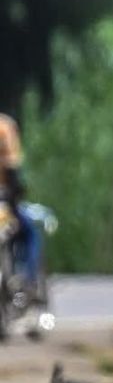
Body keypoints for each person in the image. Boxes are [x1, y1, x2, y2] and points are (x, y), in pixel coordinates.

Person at [0, 112, 46, 303]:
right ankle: (28, 280)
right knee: (30, 233)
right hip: (4, 203)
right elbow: (13, 170)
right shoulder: (4, 127)